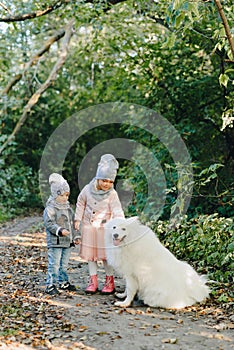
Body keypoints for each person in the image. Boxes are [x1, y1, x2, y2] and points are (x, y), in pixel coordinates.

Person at [74, 154, 124, 294]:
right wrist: (77, 219)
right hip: (89, 228)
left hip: (104, 230)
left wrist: (120, 226)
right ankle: (93, 281)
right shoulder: (87, 190)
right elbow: (80, 203)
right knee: (91, 256)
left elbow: (117, 209)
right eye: (104, 180)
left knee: (106, 257)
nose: (106, 184)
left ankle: (109, 281)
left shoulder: (112, 194)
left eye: (110, 181)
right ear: (98, 178)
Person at [44, 173, 81, 295]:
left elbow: (72, 224)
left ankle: (63, 282)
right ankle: (50, 284)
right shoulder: (50, 208)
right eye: (62, 195)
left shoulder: (68, 208)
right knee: (54, 264)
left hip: (67, 242)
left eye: (67, 195)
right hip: (56, 242)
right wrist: (60, 230)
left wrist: (76, 236)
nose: (65, 198)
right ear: (56, 194)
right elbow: (49, 224)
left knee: (64, 264)